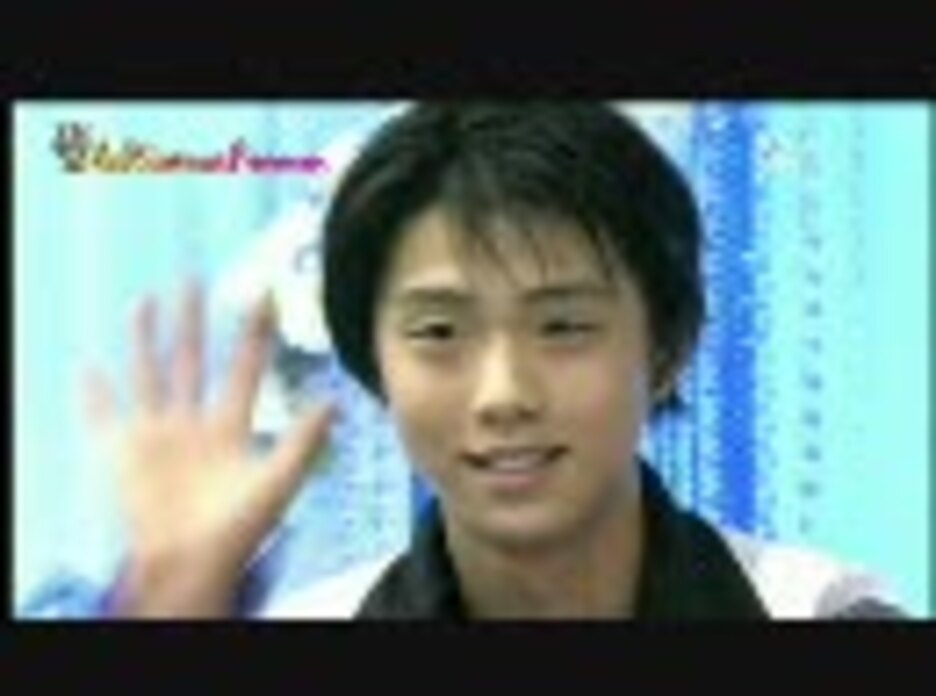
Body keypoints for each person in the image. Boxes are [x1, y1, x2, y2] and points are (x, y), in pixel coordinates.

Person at [80, 102, 904, 620]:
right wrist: (168, 604)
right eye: (439, 333)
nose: (503, 394)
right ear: (374, 363)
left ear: (668, 348)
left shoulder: (818, 611)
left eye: (564, 326)